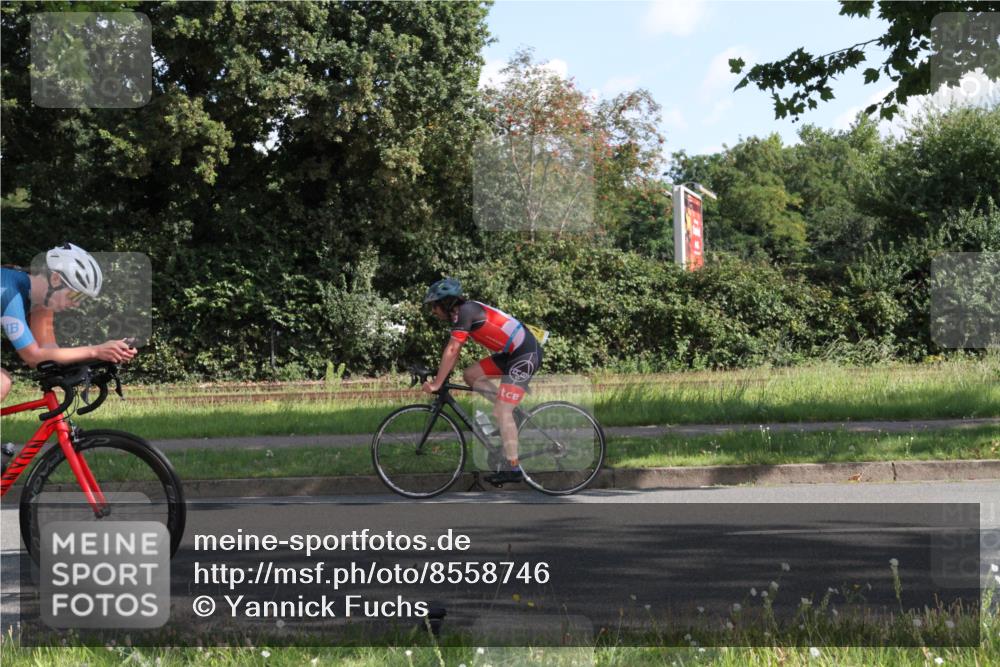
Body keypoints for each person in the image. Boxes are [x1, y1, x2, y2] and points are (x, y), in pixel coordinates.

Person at [421, 277, 543, 484]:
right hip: (512, 353)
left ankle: (513, 469)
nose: (433, 311)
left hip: (525, 354)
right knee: (470, 375)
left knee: (501, 411)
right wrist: (440, 375)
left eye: (434, 305)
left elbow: (452, 350)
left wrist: (437, 383)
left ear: (446, 303)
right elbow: (454, 351)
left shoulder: (466, 312)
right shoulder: (462, 314)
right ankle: (511, 412)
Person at [1, 243, 136, 402]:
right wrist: (95, 351)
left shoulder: (42, 301)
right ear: (55, 278)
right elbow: (33, 357)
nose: (77, 304)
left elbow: (48, 354)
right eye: (75, 295)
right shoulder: (7, 292)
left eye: (81, 299)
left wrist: (106, 355)